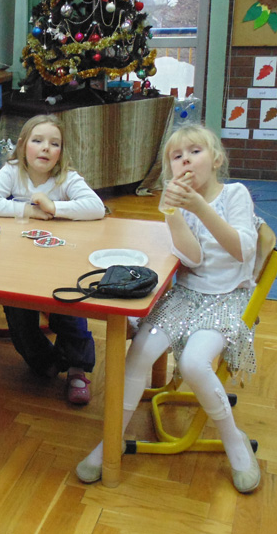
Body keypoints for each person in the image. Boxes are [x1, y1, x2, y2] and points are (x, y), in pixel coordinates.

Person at [75, 123, 262, 493]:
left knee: (193, 363)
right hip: (185, 297)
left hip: (226, 300)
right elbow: (193, 258)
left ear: (216, 159)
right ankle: (111, 440)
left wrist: (199, 207)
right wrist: (174, 214)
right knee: (138, 356)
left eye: (195, 151)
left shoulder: (235, 194)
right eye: (177, 156)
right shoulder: (181, 205)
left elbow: (243, 250)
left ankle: (234, 441)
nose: (185, 160)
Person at [0, 113, 105, 405]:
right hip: (18, 266)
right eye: (38, 141)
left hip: (59, 264)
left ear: (61, 152)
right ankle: (46, 359)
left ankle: (77, 369)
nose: (46, 148)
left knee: (69, 311)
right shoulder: (12, 171)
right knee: (18, 315)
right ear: (23, 145)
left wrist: (54, 207)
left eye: (54, 143)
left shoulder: (66, 178)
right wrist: (29, 211)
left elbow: (96, 207)